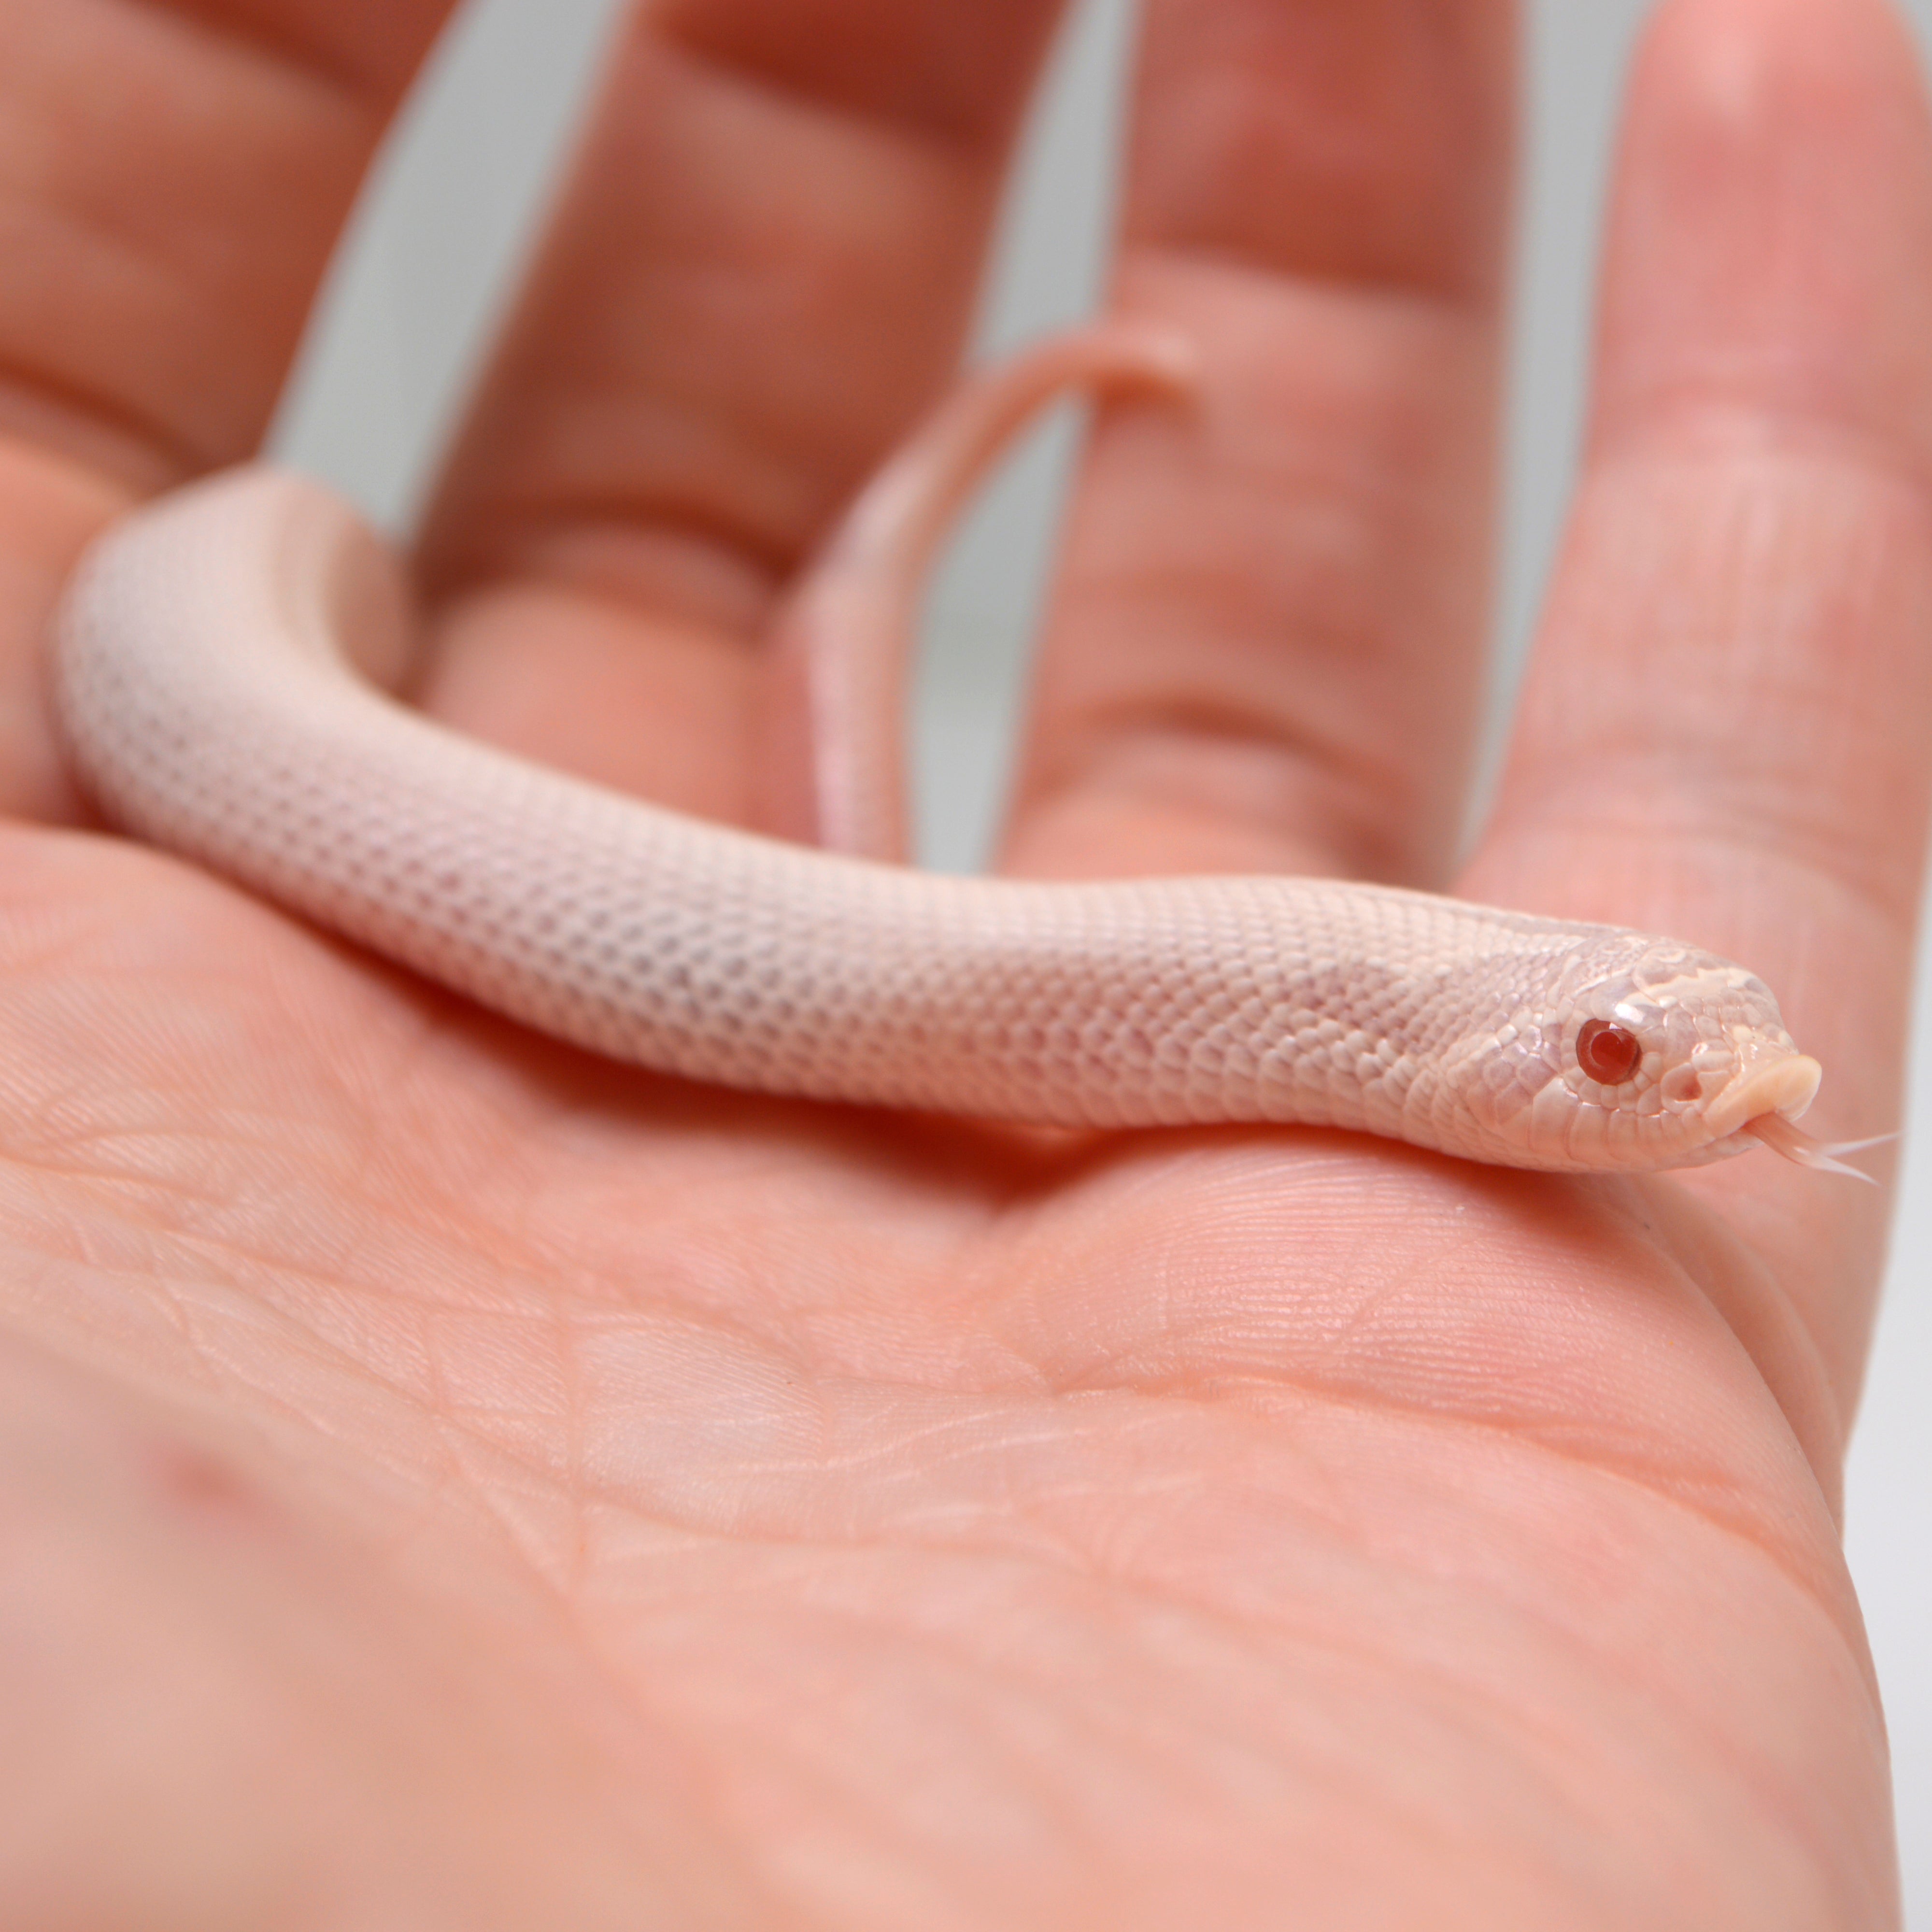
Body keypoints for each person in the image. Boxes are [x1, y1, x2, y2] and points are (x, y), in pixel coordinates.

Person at [0, 0, 1918, 1922]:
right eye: (1603, 1052)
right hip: (210, 635)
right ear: (1458, 1027)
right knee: (282, 540)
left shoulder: (1295, 1015)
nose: (1682, 1089)